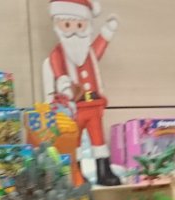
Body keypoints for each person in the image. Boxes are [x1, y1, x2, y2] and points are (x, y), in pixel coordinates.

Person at [42, 0, 121, 185]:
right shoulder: (58, 53)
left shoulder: (89, 52)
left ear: (87, 24)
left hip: (94, 104)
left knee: (98, 139)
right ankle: (75, 173)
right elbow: (58, 71)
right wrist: (65, 88)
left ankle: (104, 171)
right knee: (74, 141)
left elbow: (99, 47)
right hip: (74, 108)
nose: (74, 30)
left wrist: (107, 31)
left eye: (79, 25)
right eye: (67, 25)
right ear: (58, 24)